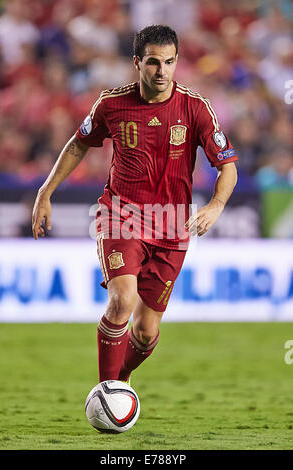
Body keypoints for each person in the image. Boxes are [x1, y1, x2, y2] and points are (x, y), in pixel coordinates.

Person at [32, 25, 238, 385]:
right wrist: (45, 192)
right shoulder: (112, 104)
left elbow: (228, 167)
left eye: (170, 62)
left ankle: (119, 383)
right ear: (137, 63)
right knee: (121, 301)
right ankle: (105, 390)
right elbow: (78, 144)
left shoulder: (195, 109)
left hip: (172, 225)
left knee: (144, 331)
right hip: (121, 216)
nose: (162, 71)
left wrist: (217, 204)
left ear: (177, 62)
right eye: (154, 63)